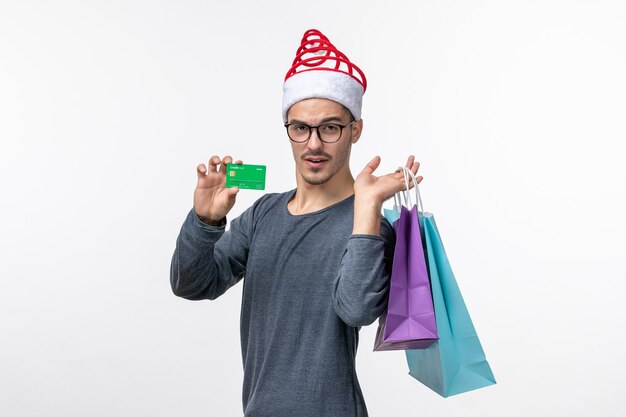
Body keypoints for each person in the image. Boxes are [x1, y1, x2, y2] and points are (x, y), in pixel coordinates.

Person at [170, 29, 421, 417]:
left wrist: (368, 205)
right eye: (301, 128)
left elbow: (356, 310)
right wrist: (204, 221)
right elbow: (192, 284)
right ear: (289, 129)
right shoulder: (262, 214)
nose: (314, 144)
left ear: (355, 130)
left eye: (331, 127)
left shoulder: (368, 225)